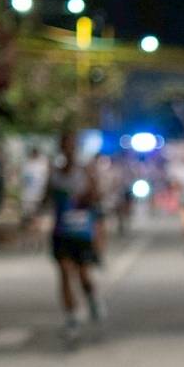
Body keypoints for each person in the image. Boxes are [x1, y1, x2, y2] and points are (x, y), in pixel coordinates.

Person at [46, 132, 106, 344]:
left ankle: (91, 297)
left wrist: (84, 199)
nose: (68, 150)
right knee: (63, 272)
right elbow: (47, 198)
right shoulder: (54, 173)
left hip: (81, 231)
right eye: (65, 146)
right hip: (61, 232)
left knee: (82, 275)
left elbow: (97, 197)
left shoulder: (85, 172)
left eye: (72, 146)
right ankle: (71, 316)